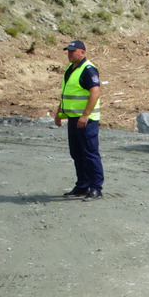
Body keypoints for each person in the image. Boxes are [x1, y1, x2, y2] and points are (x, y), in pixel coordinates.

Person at [55, 40, 104, 201]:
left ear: (82, 52)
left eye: (72, 51)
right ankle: (82, 186)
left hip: (86, 120)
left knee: (90, 153)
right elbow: (67, 93)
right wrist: (59, 112)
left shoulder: (88, 69)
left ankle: (96, 188)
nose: (69, 53)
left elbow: (95, 92)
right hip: (73, 118)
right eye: (68, 51)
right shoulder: (71, 68)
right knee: (76, 153)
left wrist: (85, 115)